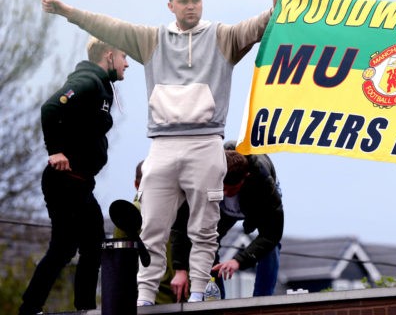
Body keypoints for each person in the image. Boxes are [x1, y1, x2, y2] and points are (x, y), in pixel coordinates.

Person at [42, 0, 273, 305]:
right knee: (152, 221)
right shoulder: (154, 40)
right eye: (184, 1)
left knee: (205, 226)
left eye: (196, 0)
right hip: (165, 142)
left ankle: (197, 294)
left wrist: (276, 10)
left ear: (201, 5)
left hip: (207, 141)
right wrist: (67, 12)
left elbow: (255, 28)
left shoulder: (222, 36)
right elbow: (109, 26)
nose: (191, 6)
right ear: (172, 6)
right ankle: (145, 297)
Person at [19, 37, 128, 315]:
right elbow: (51, 107)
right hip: (65, 182)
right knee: (77, 246)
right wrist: (55, 151)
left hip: (79, 184)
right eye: (123, 56)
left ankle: (77, 308)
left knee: (80, 247)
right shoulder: (87, 81)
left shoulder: (101, 87)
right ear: (109, 55)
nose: (127, 63)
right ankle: (42, 308)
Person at [171, 147, 284, 299]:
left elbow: (272, 234)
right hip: (223, 211)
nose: (225, 193)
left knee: (271, 247)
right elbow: (181, 226)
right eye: (222, 188)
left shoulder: (263, 184)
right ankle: (215, 296)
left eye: (232, 189)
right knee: (207, 241)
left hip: (255, 203)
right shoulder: (203, 176)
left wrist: (238, 260)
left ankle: (262, 298)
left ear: (246, 177)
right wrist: (180, 269)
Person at [112, 161, 177, 304]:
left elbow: (119, 268)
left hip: (148, 300)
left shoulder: (128, 213)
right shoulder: (177, 211)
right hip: (171, 300)